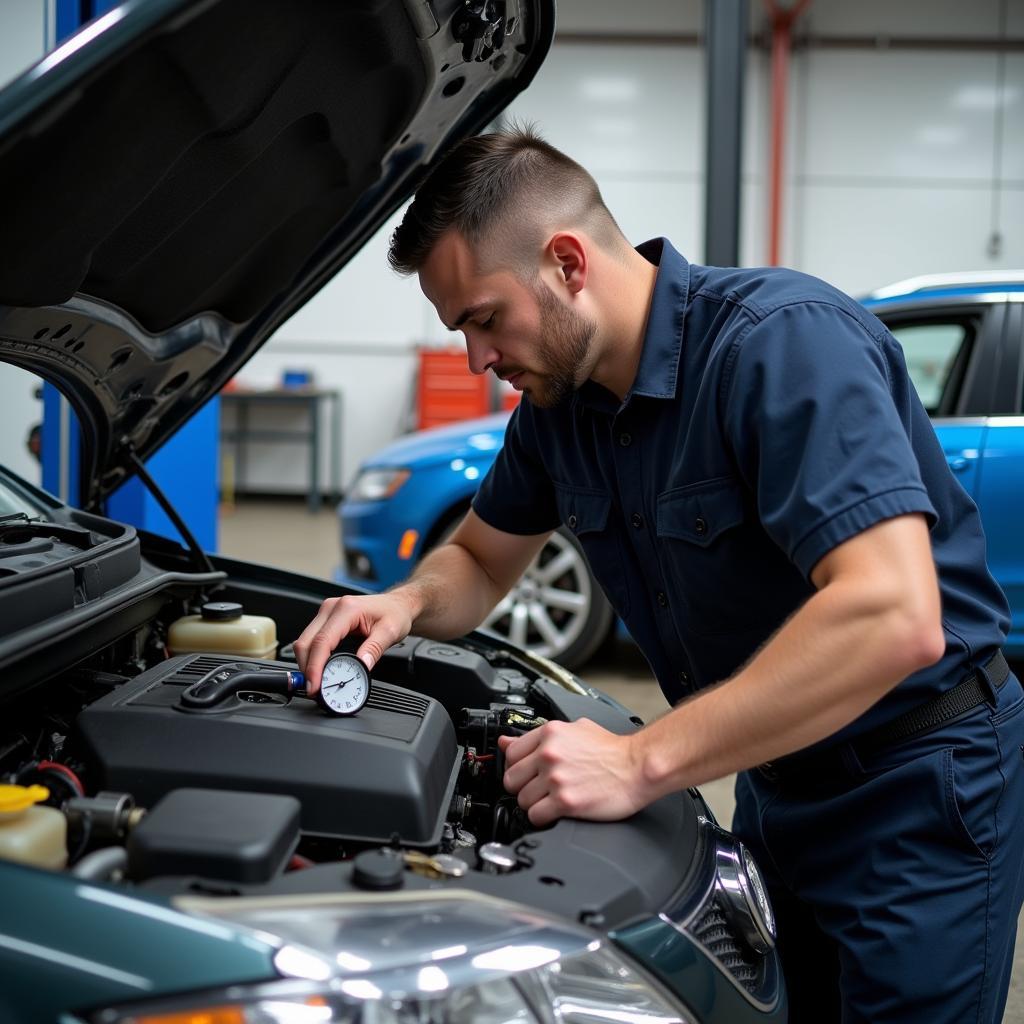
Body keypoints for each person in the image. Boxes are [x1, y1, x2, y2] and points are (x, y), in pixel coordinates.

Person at [295, 128, 1024, 1022]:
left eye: (484, 319)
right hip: (774, 774)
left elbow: (892, 616)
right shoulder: (560, 410)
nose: (478, 360)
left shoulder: (781, 346)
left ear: (566, 261)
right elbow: (482, 558)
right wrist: (404, 602)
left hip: (916, 787)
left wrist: (641, 761)